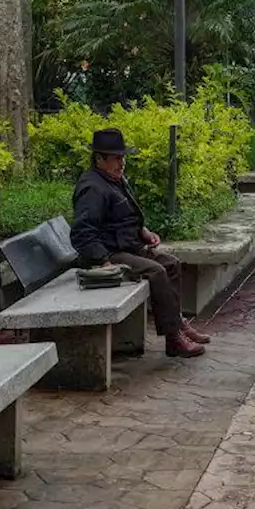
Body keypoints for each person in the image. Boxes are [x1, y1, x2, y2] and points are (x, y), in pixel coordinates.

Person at [70, 128, 209, 358]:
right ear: (99, 159)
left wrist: (143, 232)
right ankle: (173, 339)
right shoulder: (92, 188)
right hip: (108, 253)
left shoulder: (113, 179)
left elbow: (123, 216)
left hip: (127, 246)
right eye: (116, 158)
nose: (122, 162)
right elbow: (82, 232)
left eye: (122, 157)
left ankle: (178, 323)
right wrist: (103, 261)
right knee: (156, 271)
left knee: (171, 263)